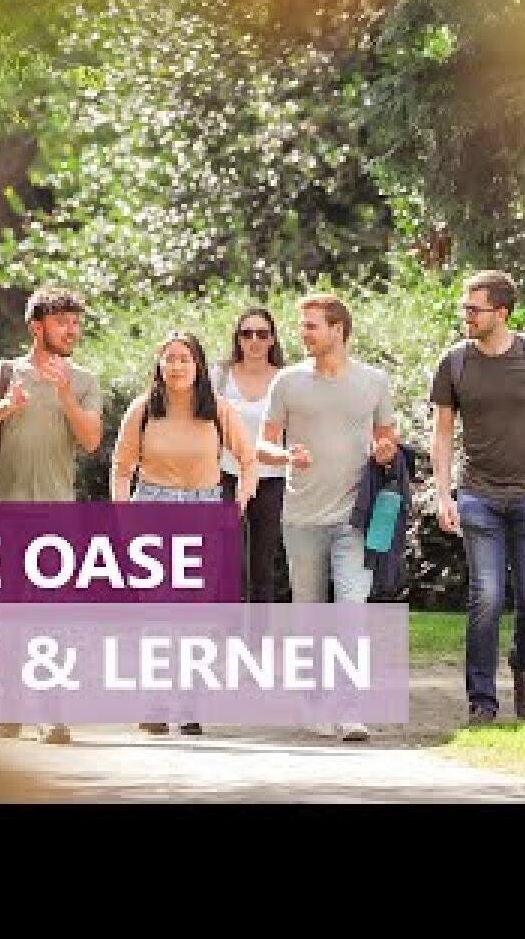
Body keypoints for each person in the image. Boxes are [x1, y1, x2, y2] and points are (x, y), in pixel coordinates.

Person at [428, 269, 525, 726]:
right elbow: (442, 433)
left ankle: (523, 663)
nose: (466, 316)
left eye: (474, 309)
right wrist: (443, 494)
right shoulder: (454, 363)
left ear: (501, 312)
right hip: (478, 495)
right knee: (487, 596)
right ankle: (482, 701)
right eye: (464, 308)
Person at [0, 286, 102, 745]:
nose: (72, 330)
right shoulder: (3, 374)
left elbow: (91, 440)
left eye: (75, 322)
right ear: (36, 326)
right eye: (63, 321)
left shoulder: (83, 380)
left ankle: (52, 709)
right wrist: (8, 405)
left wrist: (65, 397)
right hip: (5, 511)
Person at [257, 293, 398, 743]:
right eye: (302, 326)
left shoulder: (374, 381)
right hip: (300, 515)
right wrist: (285, 456)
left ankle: (350, 709)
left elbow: (388, 440)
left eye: (311, 325)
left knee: (351, 610)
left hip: (354, 516)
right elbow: (262, 445)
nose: (303, 333)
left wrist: (385, 450)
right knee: (310, 612)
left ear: (338, 329)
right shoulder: (288, 383)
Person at [111, 330, 257, 736]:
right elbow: (121, 468)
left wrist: (237, 505)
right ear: (159, 365)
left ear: (199, 366)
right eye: (170, 358)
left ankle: (190, 703)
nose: (177, 366)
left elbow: (248, 460)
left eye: (184, 359)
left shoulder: (217, 410)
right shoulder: (142, 410)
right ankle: (156, 704)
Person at [211, 308, 287, 604]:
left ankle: (258, 642)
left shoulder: (285, 379)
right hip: (226, 476)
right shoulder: (220, 376)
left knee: (262, 566)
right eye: (247, 333)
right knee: (228, 561)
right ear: (238, 339)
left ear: (272, 340)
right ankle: (226, 638)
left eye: (262, 334)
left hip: (271, 479)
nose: (254, 340)